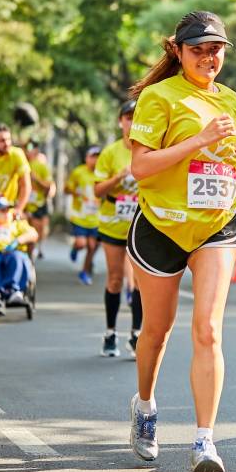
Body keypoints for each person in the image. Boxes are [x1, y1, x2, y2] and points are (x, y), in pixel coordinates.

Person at [126, 10, 236, 472]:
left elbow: (224, 150)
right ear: (178, 51)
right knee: (157, 331)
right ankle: (145, 405)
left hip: (217, 223)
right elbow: (142, 168)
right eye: (199, 50)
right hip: (162, 224)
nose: (209, 57)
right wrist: (200, 139)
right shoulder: (158, 96)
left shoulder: (230, 99)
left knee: (208, 329)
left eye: (216, 50)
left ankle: (204, 440)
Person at [94, 100, 143, 358]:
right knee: (114, 279)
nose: (132, 122)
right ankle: (110, 332)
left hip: (141, 223)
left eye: (137, 117)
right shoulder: (111, 153)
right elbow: (98, 190)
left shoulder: (149, 148)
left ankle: (136, 334)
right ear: (121, 122)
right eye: (128, 117)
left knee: (139, 282)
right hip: (113, 222)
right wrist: (120, 176)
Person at [65, 145, 101, 285]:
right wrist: (74, 191)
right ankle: (75, 248)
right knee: (81, 243)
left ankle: (85, 272)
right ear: (86, 158)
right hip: (79, 216)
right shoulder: (78, 172)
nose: (95, 160)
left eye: (98, 157)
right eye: (93, 157)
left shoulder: (102, 173)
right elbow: (67, 189)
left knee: (92, 246)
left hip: (96, 217)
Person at [24, 141, 54, 259]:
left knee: (37, 231)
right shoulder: (20, 163)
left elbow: (49, 186)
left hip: (38, 204)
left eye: (31, 148)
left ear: (36, 150)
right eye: (26, 148)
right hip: (22, 206)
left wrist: (35, 179)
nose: (28, 151)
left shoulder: (41, 166)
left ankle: (31, 255)